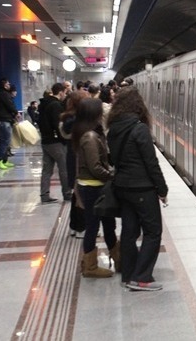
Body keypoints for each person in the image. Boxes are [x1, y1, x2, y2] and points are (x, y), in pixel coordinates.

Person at [107, 86, 168, 291]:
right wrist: (162, 189)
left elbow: (112, 159)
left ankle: (128, 274)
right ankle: (142, 277)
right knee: (153, 232)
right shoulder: (139, 128)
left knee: (129, 232)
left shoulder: (113, 129)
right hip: (142, 188)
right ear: (138, 105)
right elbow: (151, 163)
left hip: (122, 187)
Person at [72, 98, 119, 278]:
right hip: (93, 188)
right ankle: (90, 266)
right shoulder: (90, 137)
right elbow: (95, 167)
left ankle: (118, 258)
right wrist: (113, 175)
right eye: (101, 111)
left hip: (96, 187)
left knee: (108, 224)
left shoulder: (89, 133)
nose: (104, 113)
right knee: (93, 226)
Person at [60, 90, 91, 236]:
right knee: (82, 193)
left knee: (76, 193)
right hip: (80, 159)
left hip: (73, 158)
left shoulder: (68, 118)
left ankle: (74, 225)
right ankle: (81, 228)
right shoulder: (79, 121)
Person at [38, 82, 71, 203]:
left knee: (47, 170)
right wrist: (64, 139)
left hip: (45, 140)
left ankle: (44, 194)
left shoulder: (43, 103)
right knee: (64, 169)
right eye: (65, 93)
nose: (65, 96)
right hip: (56, 141)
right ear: (61, 92)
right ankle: (67, 193)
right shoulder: (56, 105)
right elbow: (58, 125)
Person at [0, 78, 17, 169]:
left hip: (4, 120)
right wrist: (16, 112)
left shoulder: (1, 94)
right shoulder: (4, 94)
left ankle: (4, 160)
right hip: (4, 120)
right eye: (8, 83)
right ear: (5, 85)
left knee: (6, 141)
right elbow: (9, 105)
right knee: (5, 141)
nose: (9, 85)